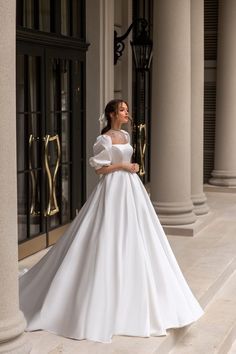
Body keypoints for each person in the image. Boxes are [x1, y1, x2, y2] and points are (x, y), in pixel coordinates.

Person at [19, 99, 203, 344]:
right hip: (113, 188)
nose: (127, 112)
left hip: (130, 188)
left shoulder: (126, 136)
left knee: (137, 233)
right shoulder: (103, 139)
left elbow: (124, 161)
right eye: (123, 109)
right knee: (106, 233)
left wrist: (132, 166)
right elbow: (100, 169)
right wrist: (124, 165)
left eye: (127, 109)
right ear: (112, 113)